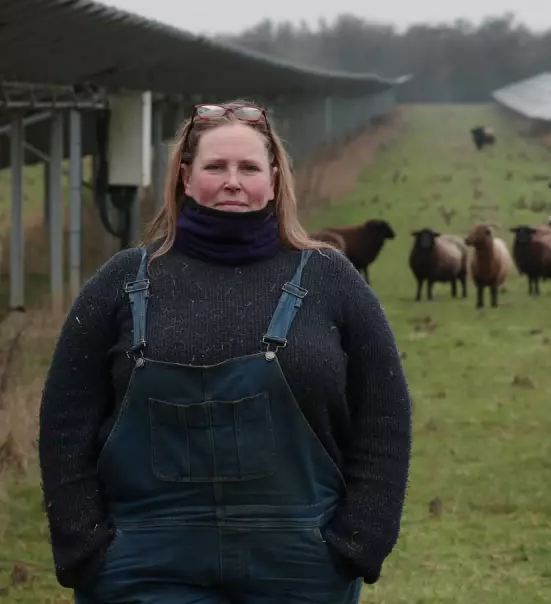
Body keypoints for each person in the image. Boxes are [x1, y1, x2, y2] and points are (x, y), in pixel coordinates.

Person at [38, 100, 413, 603]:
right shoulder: (123, 281)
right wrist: (84, 544)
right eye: (215, 166)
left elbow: (384, 414)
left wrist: (361, 541)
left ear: (274, 180)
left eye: (249, 167)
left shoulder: (331, 280)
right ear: (186, 178)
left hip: (299, 568)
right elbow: (65, 418)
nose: (232, 181)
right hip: (144, 568)